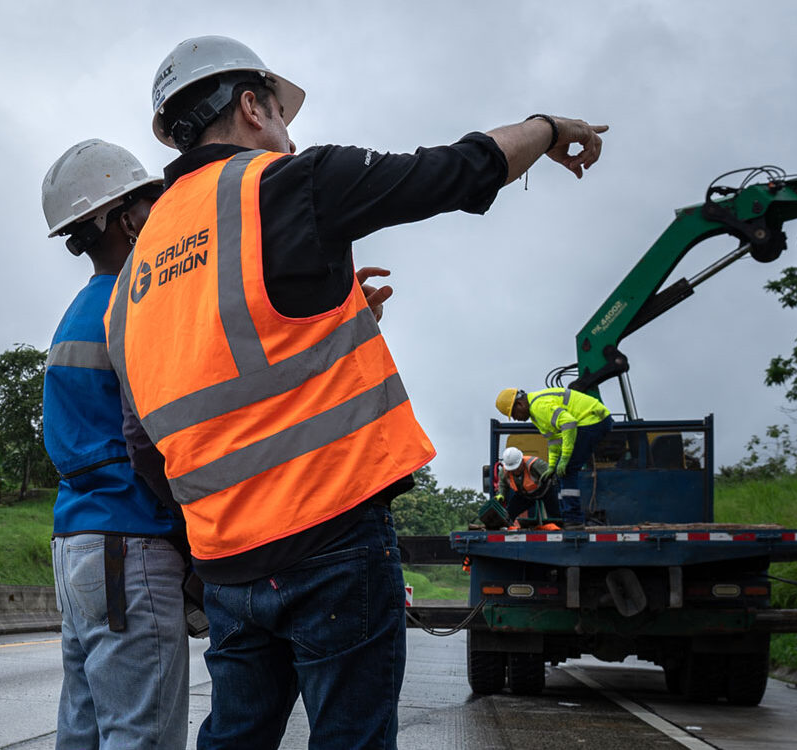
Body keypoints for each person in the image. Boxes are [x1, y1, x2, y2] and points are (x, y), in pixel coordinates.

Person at [104, 35, 606, 749]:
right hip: (331, 538)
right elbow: (456, 172)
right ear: (252, 106)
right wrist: (549, 129)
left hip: (227, 563)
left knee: (235, 738)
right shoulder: (280, 183)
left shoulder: (136, 276)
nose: (288, 132)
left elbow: (147, 440)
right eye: (281, 114)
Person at [40, 139, 189, 749]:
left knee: (86, 733)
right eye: (150, 202)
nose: (161, 213)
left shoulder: (80, 311)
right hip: (131, 549)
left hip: (78, 550)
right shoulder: (136, 310)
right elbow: (155, 440)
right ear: (127, 218)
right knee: (140, 737)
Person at [494, 387, 615, 530]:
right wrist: (552, 465)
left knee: (567, 469)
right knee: (561, 470)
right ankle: (570, 517)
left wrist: (564, 458)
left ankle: (574, 519)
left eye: (513, 414)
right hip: (592, 419)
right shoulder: (536, 415)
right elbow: (554, 440)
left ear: (520, 404)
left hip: (592, 419)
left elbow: (569, 423)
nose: (515, 419)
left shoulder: (539, 406)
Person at [495, 446, 559, 526]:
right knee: (509, 513)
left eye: (517, 468)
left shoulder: (536, 464)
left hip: (546, 491)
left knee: (556, 514)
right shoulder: (504, 472)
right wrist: (501, 494)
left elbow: (553, 477)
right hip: (525, 496)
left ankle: (559, 528)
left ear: (522, 461)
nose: (515, 471)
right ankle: (505, 528)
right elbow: (502, 485)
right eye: (512, 469)